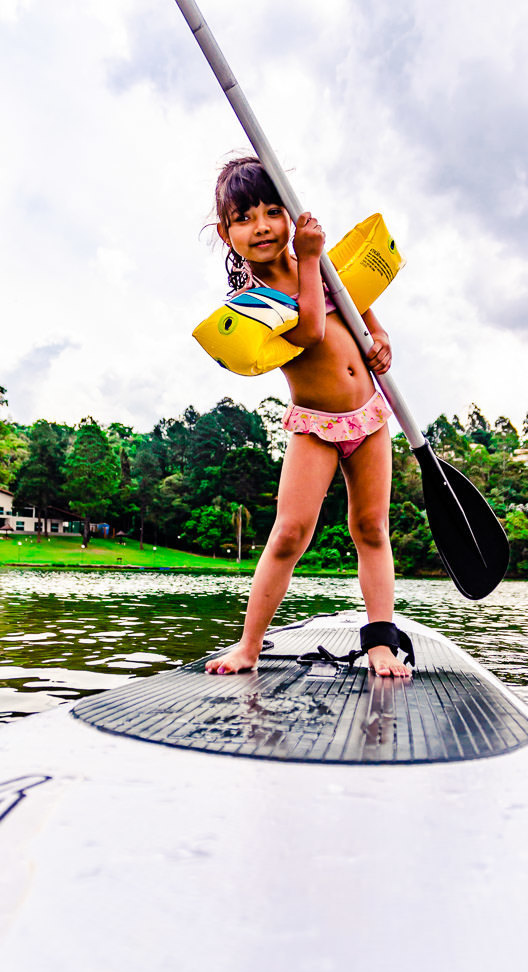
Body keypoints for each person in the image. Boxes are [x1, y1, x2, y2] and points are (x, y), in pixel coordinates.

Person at [204, 156, 411, 678]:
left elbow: (368, 320)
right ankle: (249, 646)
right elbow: (311, 330)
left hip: (370, 416)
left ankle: (380, 644)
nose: (262, 227)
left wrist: (382, 342)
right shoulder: (252, 300)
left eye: (273, 212)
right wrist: (311, 258)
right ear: (227, 234)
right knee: (290, 533)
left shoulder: (327, 268)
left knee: (371, 528)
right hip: (315, 426)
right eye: (245, 218)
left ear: (289, 215)